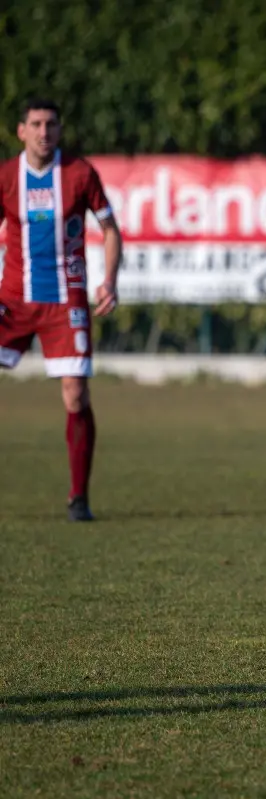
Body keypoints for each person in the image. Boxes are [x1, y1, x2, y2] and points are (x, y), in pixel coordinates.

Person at [0, 98, 122, 521]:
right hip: (13, 300)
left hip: (65, 299)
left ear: (59, 129)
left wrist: (109, 280)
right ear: (21, 131)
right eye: (35, 124)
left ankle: (78, 498)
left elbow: (110, 229)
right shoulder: (5, 177)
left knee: (75, 393)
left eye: (50, 124)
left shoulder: (79, 173)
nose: (43, 132)